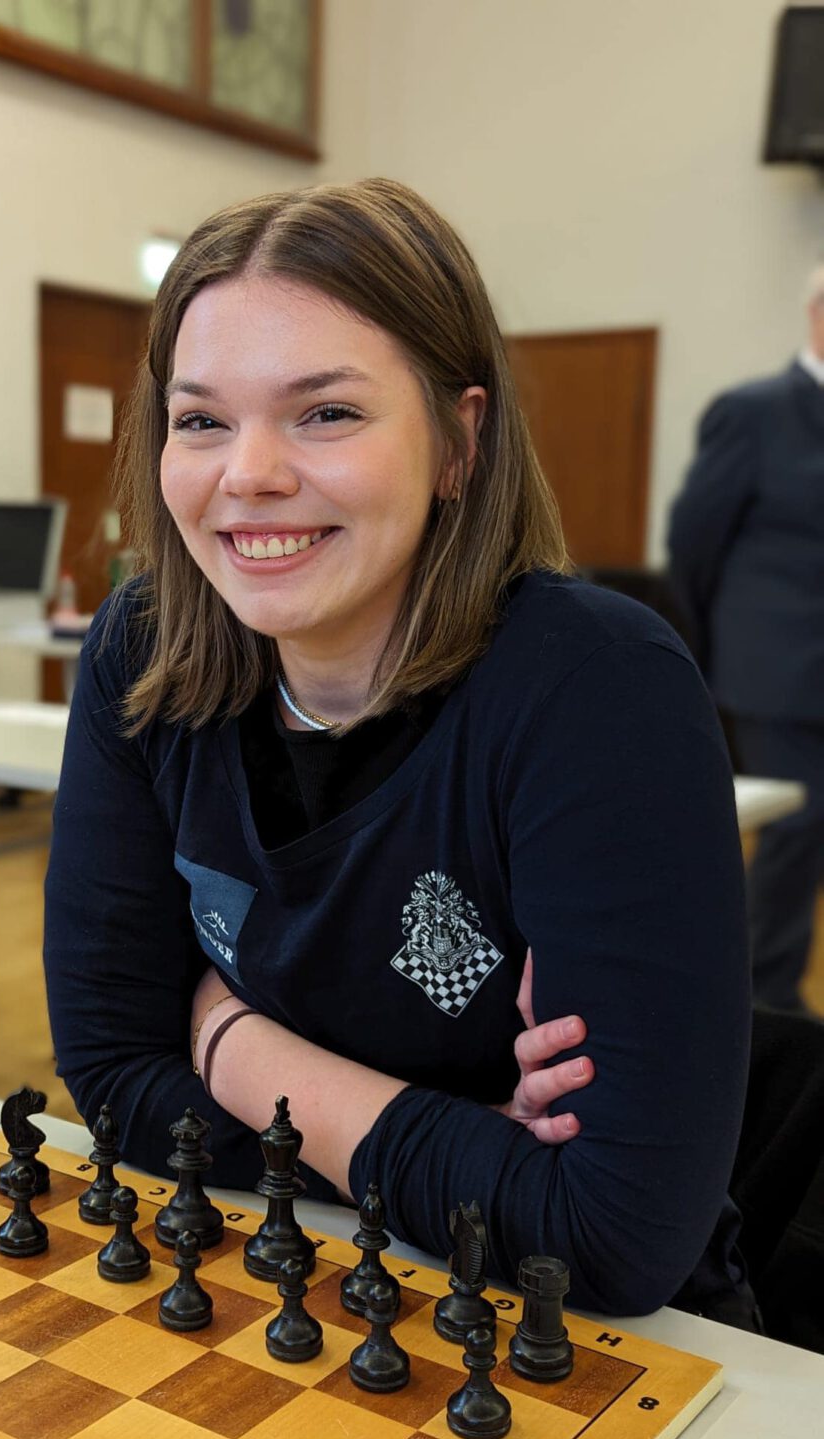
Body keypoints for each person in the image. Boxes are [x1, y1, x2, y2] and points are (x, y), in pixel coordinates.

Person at [45, 178, 754, 1325]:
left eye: (324, 412)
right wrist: (461, 1146)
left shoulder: (596, 690)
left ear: (457, 440)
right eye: (200, 418)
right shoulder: (143, 651)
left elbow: (609, 1242)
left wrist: (221, 1030)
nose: (248, 473)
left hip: (580, 1354)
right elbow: (116, 1087)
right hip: (277, 1280)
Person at [668, 271, 824, 1018]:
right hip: (782, 671)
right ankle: (767, 1007)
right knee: (794, 834)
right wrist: (718, 644)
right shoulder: (754, 413)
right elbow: (693, 544)